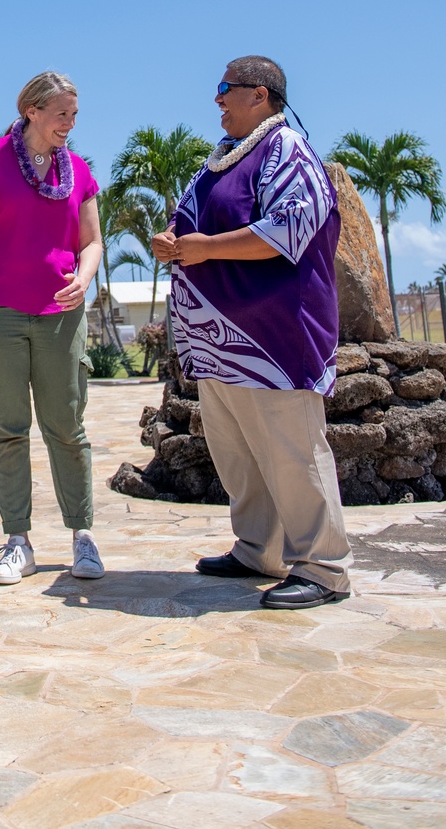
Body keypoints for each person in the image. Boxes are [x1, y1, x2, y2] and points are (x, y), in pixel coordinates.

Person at [153, 55, 351, 610]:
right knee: (237, 450)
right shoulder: (218, 160)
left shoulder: (287, 151)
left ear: (260, 94)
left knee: (292, 450)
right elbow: (190, 223)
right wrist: (172, 240)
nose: (217, 99)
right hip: (219, 342)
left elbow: (288, 226)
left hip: (273, 338)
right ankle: (259, 547)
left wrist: (206, 249)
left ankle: (323, 565)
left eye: (225, 89)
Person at [0, 71, 105, 585]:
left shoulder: (79, 171)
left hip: (61, 316)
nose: (70, 123)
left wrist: (84, 279)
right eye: (62, 113)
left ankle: (83, 536)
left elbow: (92, 243)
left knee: (67, 426)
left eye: (74, 115)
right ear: (32, 110)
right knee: (7, 429)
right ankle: (17, 540)